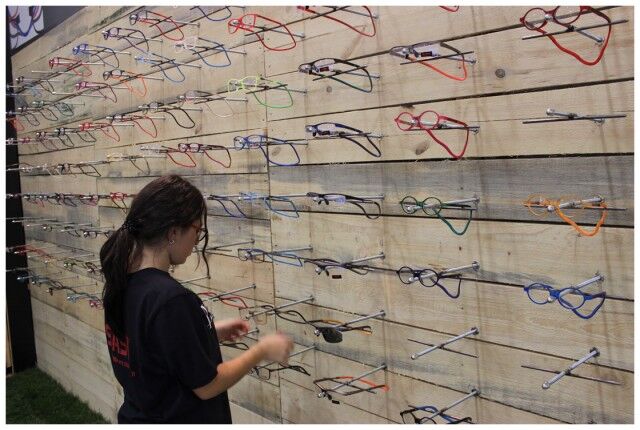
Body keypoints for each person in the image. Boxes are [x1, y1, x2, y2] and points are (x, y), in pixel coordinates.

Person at [99, 175, 293, 423]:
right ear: (173, 232)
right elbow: (208, 386)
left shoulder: (123, 283)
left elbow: (151, 348)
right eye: (197, 230)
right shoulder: (170, 300)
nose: (196, 241)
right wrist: (262, 350)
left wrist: (208, 332)